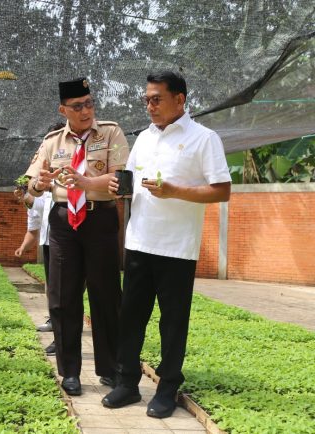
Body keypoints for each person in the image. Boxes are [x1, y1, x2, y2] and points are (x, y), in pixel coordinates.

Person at [102, 71, 231, 418]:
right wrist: (119, 188)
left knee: (172, 322)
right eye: (146, 99)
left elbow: (222, 189)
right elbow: (128, 179)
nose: (149, 105)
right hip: (140, 241)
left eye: (156, 98)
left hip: (177, 248)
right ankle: (127, 383)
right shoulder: (143, 138)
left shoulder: (203, 139)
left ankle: (168, 387)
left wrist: (176, 190)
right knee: (131, 318)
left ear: (180, 99)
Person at [26, 77, 129, 396]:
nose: (86, 111)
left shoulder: (111, 132)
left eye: (89, 103)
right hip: (62, 223)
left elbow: (123, 180)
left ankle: (110, 369)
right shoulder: (52, 141)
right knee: (62, 297)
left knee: (106, 295)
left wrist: (86, 183)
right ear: (63, 109)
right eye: (78, 106)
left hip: (100, 220)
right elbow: (28, 184)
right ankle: (69, 371)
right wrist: (40, 183)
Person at [14, 188, 55, 355]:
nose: (22, 198)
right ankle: (55, 320)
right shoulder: (32, 205)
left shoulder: (48, 192)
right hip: (48, 244)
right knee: (52, 287)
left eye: (22, 194)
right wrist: (22, 247)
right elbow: (32, 230)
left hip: (66, 241)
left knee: (67, 289)